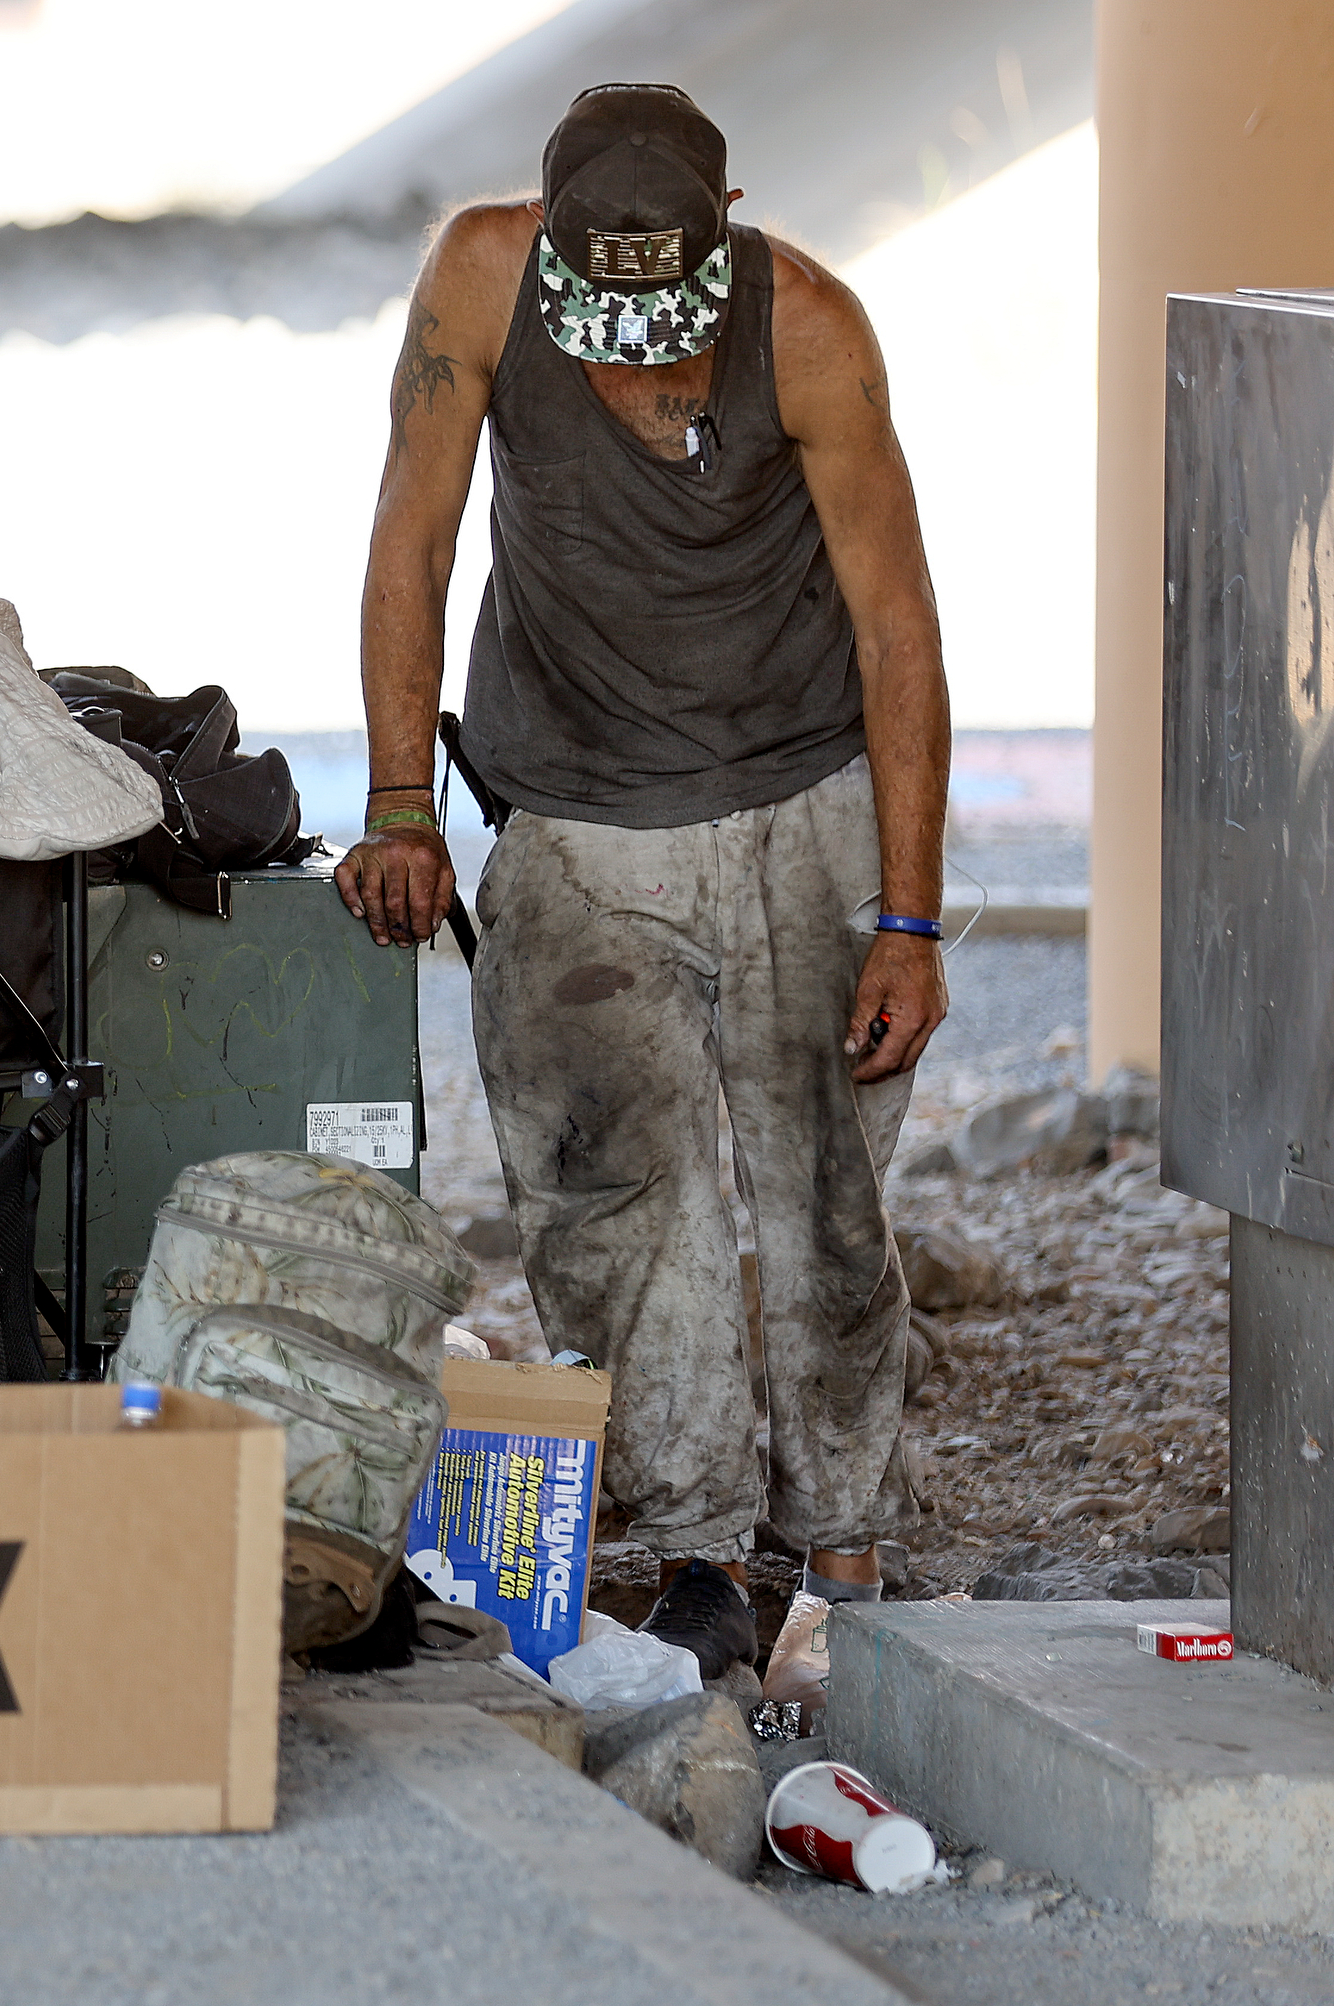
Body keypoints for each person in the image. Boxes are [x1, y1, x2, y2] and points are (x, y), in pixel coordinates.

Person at [334, 83, 951, 1677]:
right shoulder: (479, 277)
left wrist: (908, 916)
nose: (638, 363)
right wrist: (402, 805)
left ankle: (845, 1549)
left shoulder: (807, 326)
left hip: (804, 793)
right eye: (603, 328)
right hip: (578, 805)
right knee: (612, 1183)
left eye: (668, 325)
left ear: (724, 249)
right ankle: (693, 1546)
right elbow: (409, 541)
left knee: (827, 1192)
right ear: (548, 259)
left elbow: (898, 628)